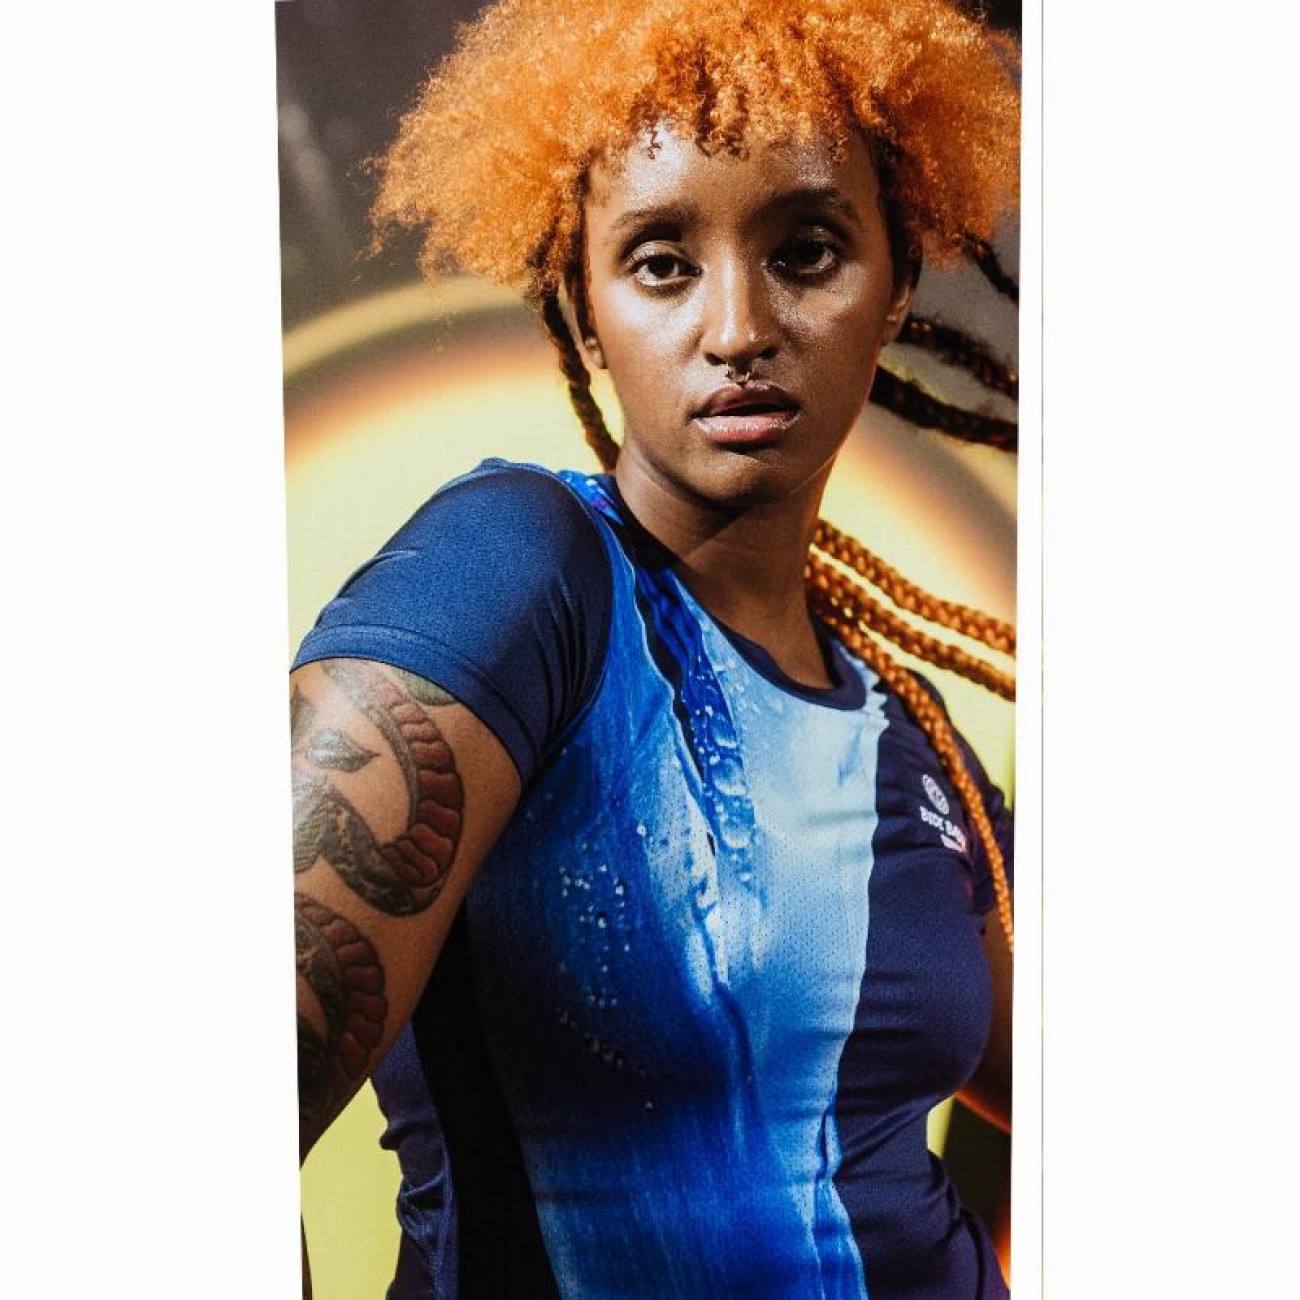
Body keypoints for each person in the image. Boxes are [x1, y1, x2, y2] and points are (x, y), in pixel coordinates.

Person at [291, 0, 1020, 1296]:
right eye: (662, 263)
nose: (737, 328)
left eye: (807, 250)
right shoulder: (520, 576)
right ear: (586, 310)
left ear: (899, 283)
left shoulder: (912, 729)